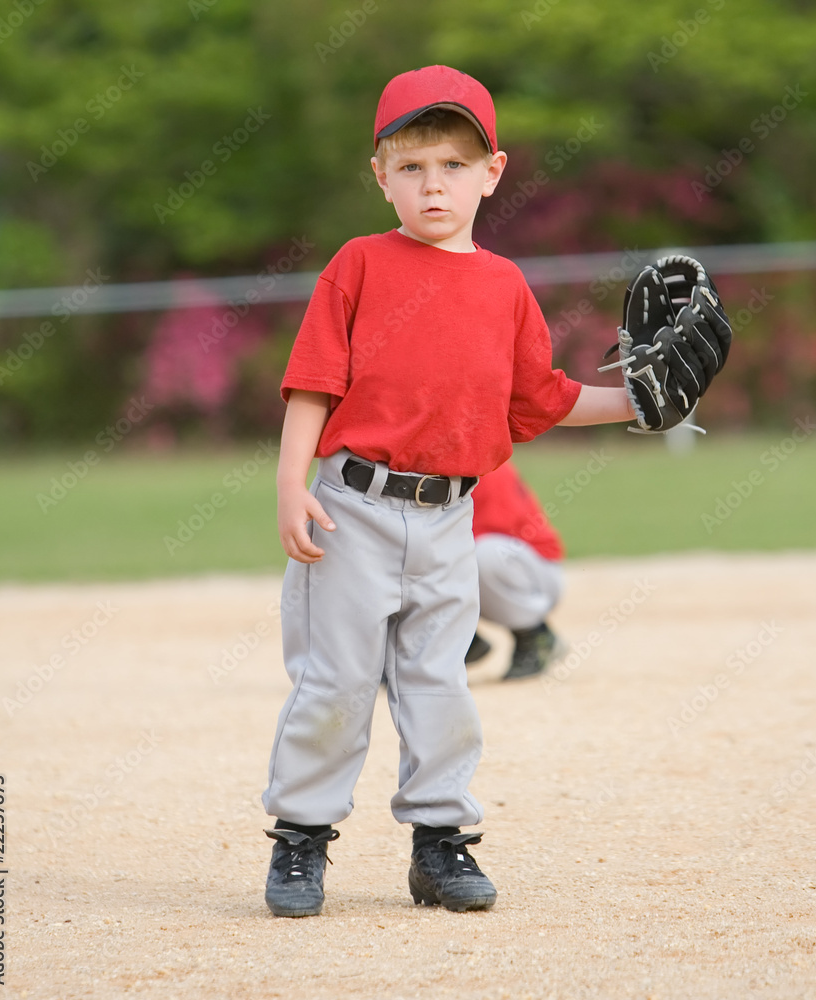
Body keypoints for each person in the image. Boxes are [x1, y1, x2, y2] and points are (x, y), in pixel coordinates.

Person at [262, 64, 638, 919]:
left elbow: (542, 398)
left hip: (449, 520)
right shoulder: (358, 265)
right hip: (350, 509)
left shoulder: (503, 285)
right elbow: (313, 384)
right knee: (336, 682)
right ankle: (301, 841)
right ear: (381, 176)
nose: (434, 184)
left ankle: (440, 845)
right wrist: (291, 485)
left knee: (440, 684)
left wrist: (640, 403)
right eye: (412, 165)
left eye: (455, 165)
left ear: (492, 172)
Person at [468, 459, 567, 681]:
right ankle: (457, 645)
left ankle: (535, 635)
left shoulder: (487, 463)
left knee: (482, 555)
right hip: (501, 564)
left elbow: (495, 529)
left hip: (533, 572)